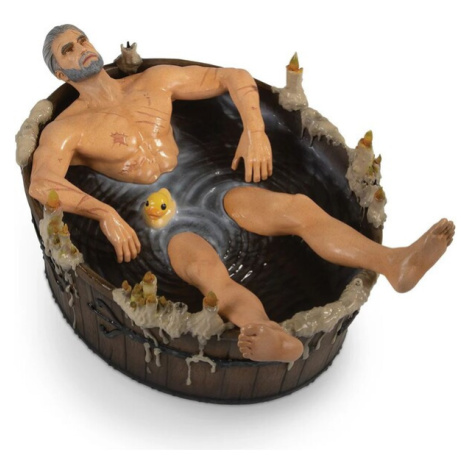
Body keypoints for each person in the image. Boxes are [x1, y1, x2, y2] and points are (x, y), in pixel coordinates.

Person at [30, 25, 455, 363]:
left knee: (298, 208)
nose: (82, 49)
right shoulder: (67, 129)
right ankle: (264, 331)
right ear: (61, 74)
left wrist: (255, 131)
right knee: (211, 276)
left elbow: (233, 76)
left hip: (206, 185)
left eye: (82, 39)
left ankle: (394, 263)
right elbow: (42, 183)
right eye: (68, 50)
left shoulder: (153, 81)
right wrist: (104, 213)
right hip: (160, 220)